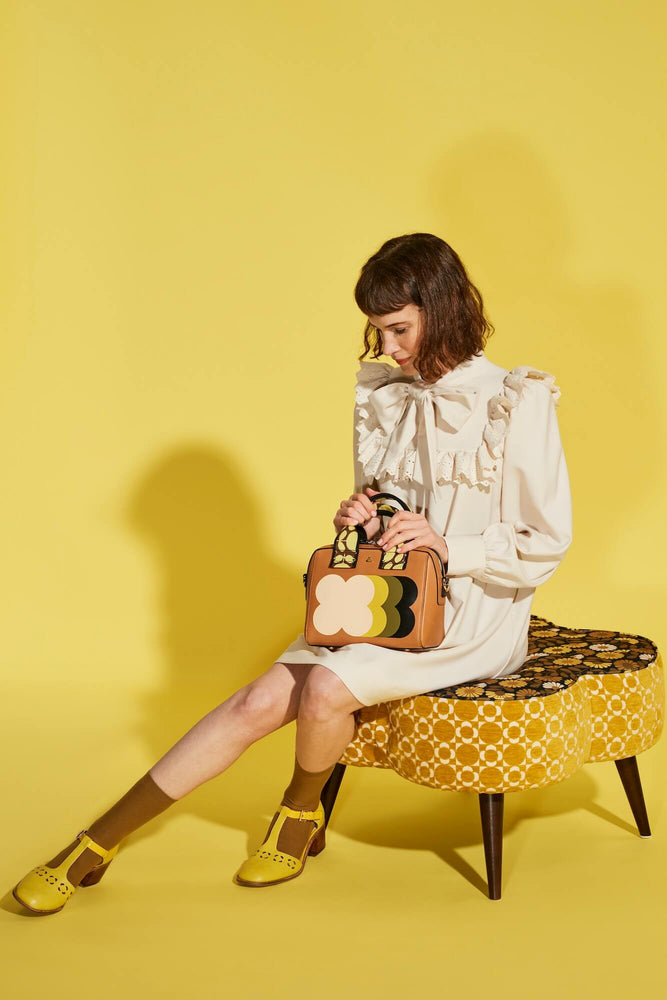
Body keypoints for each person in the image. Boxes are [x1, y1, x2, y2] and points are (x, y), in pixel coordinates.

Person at [12, 232, 573, 914]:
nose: (389, 349)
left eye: (398, 329)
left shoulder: (517, 401)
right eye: (378, 331)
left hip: (476, 616)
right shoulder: (387, 397)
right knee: (252, 703)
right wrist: (365, 516)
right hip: (384, 599)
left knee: (326, 687)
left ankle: (298, 814)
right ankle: (95, 843)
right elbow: (393, 514)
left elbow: (544, 540)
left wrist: (450, 545)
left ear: (445, 306)